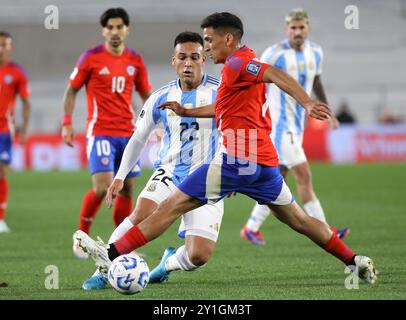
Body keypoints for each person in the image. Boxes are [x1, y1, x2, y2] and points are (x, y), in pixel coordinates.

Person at [76, 12, 377, 284]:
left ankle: (111, 254)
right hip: (263, 165)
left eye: (209, 40)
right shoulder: (237, 68)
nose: (206, 47)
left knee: (170, 206)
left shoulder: (237, 62)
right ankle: (354, 260)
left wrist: (307, 101)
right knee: (299, 220)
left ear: (228, 39)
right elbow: (224, 108)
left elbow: (275, 74)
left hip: (234, 161)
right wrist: (188, 112)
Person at [78, 31, 223, 289]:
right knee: (141, 213)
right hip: (169, 172)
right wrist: (120, 176)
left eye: (194, 57)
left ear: (204, 59)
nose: (188, 63)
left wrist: (233, 172)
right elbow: (138, 138)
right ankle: (104, 268)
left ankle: (166, 264)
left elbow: (236, 132)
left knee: (198, 256)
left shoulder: (220, 93)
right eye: (182, 57)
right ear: (173, 60)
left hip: (206, 178)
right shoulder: (160, 97)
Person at [241, 8, 348, 246]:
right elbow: (253, 78)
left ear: (307, 28)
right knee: (304, 176)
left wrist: (327, 110)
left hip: (296, 126)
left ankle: (251, 227)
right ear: (286, 29)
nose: (297, 32)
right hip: (279, 128)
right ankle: (326, 229)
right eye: (293, 28)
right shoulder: (274, 53)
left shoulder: (316, 52)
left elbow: (316, 81)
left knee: (277, 178)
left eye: (301, 28)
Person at [62, 8, 151, 258]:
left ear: (127, 29)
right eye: (110, 27)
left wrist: (156, 122)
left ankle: (120, 246)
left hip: (129, 132)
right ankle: (80, 236)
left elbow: (146, 94)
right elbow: (71, 90)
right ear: (103, 30)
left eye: (119, 27)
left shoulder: (135, 60)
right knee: (102, 187)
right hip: (101, 131)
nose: (114, 32)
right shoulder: (90, 58)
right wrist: (67, 123)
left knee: (127, 189)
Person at [0, 31, 32, 233]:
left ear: (11, 48)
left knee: (1, 172)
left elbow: (26, 102)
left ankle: (0, 218)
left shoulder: (16, 72)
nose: (1, 49)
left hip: (4, 129)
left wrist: (24, 128)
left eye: (5, 45)